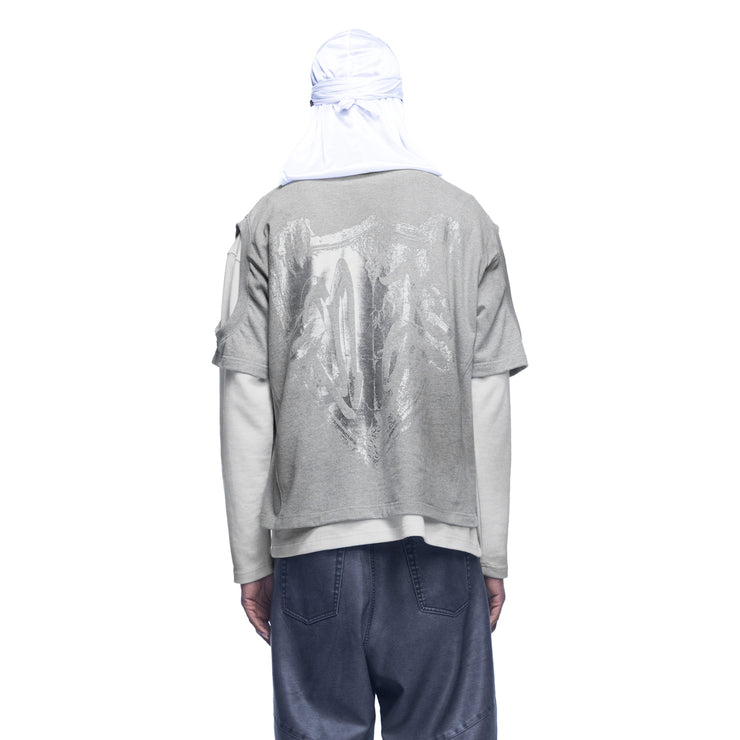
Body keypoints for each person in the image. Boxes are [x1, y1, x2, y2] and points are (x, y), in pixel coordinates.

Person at [212, 28, 528, 740]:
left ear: (316, 107)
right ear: (397, 104)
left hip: (310, 548)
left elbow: (245, 399)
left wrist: (250, 561)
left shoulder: (268, 222)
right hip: (440, 543)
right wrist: (492, 551)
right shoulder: (466, 220)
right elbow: (488, 396)